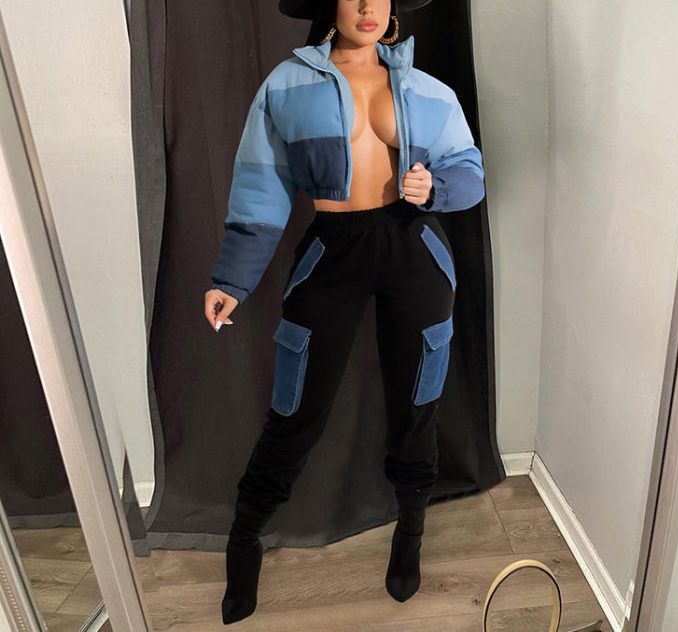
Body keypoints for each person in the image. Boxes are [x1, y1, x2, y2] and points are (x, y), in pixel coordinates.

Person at [204, 0, 485, 624]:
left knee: (417, 403)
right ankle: (244, 539)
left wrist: (436, 188)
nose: (366, 6)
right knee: (295, 409)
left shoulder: (427, 90)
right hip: (332, 250)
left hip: (415, 247)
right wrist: (232, 279)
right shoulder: (286, 85)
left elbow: (470, 170)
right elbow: (260, 186)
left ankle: (410, 532)